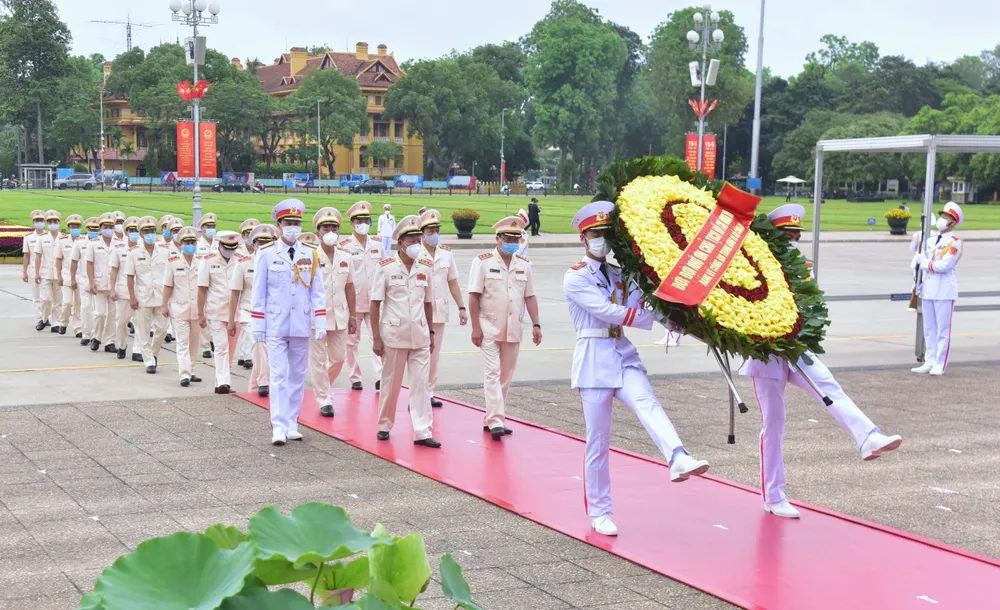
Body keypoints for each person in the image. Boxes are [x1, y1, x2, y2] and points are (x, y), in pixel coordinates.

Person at [741, 204, 902, 519]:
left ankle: (868, 437)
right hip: (767, 351)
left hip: (797, 346)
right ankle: (773, 495)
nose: (793, 240)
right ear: (773, 235)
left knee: (829, 385)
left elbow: (810, 302)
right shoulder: (755, 265)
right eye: (787, 234)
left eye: (796, 235)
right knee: (774, 422)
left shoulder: (802, 265)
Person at [565, 201, 710, 536]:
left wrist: (684, 323)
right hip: (593, 360)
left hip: (621, 353)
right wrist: (648, 318)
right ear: (583, 238)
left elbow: (644, 304)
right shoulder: (574, 277)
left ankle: (677, 456)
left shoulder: (621, 275)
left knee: (648, 403)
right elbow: (608, 312)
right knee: (598, 442)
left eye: (605, 234)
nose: (601, 239)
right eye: (595, 234)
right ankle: (600, 511)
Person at [251, 199, 327, 446]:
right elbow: (258, 292)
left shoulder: (310, 252)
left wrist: (321, 321)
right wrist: (257, 325)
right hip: (275, 323)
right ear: (279, 224)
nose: (293, 228)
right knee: (278, 376)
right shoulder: (266, 253)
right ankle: (278, 426)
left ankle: (293, 422)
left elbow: (317, 291)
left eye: (297, 223)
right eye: (288, 223)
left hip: (301, 323)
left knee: (297, 376)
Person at [468, 215, 542, 440]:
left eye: (516, 238)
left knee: (505, 376)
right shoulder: (483, 261)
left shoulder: (524, 264)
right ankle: (497, 420)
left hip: (513, 328)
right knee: (492, 373)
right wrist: (475, 328)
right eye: (508, 237)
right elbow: (474, 296)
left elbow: (530, 297)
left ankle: (492, 417)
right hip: (488, 325)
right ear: (498, 238)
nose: (512, 242)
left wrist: (536, 324)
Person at [370, 215, 440, 447]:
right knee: (391, 384)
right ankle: (384, 424)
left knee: (421, 385)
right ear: (400, 243)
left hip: (419, 335)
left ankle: (423, 431)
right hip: (394, 336)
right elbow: (375, 303)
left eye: (418, 240)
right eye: (411, 241)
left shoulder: (426, 266)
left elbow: (428, 303)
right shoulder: (385, 268)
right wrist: (376, 338)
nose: (416, 245)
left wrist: (431, 333)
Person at [310, 207, 357, 417]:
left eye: (334, 228)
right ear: (318, 232)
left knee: (338, 358)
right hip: (316, 316)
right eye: (326, 228)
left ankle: (323, 388)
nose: (330, 231)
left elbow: (350, 286)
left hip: (340, 315)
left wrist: (353, 315)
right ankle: (324, 399)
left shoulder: (346, 256)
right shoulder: (309, 255)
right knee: (318, 360)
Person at [418, 209, 467, 408]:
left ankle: (429, 392)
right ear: (422, 233)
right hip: (418, 313)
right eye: (430, 231)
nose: (435, 234)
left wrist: (461, 307)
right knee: (419, 356)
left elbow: (453, 282)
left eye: (437, 229)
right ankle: (417, 394)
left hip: (439, 313)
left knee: (433, 355)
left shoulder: (446, 254)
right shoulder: (414, 252)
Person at [911, 201, 963, 376]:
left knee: (943, 330)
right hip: (928, 288)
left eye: (946, 217)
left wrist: (924, 262)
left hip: (944, 290)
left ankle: (940, 363)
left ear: (953, 223)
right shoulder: (931, 240)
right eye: (941, 216)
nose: (942, 219)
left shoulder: (955, 243)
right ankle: (930, 360)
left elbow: (944, 265)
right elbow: (917, 257)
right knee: (929, 328)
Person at [341, 201, 384, 391]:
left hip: (375, 300)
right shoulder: (344, 247)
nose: (363, 223)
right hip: (354, 302)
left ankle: (381, 376)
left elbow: (384, 271)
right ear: (352, 223)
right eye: (359, 220)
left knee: (378, 337)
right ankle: (355, 377)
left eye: (366, 220)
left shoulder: (378, 244)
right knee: (351, 342)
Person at [229, 224, 275, 398]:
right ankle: (264, 382)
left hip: (272, 312)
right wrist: (232, 319)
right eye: (259, 242)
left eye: (267, 242)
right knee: (258, 343)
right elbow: (234, 292)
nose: (263, 245)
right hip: (249, 312)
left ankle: (253, 387)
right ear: (253, 243)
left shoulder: (279, 263)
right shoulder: (243, 264)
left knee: (268, 350)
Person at [198, 231, 241, 394]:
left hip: (235, 312)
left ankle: (221, 379)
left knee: (230, 348)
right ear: (219, 245)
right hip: (215, 311)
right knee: (221, 346)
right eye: (226, 247)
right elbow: (201, 289)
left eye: (233, 248)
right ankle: (224, 383)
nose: (229, 251)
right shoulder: (208, 261)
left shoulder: (240, 261)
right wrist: (200, 314)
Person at [162, 227, 205, 388]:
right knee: (182, 343)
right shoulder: (173, 263)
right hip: (179, 308)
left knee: (194, 342)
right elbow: (167, 285)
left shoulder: (201, 262)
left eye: (193, 242)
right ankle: (184, 374)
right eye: (187, 242)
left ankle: (191, 370)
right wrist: (164, 305)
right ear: (180, 244)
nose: (190, 245)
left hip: (197, 309)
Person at [126, 216, 170, 374]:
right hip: (143, 296)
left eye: (152, 230)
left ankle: (154, 353)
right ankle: (149, 361)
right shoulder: (134, 253)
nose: (150, 234)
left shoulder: (165, 251)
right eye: (146, 231)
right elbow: (130, 277)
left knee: (162, 329)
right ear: (141, 234)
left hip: (161, 297)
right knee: (142, 331)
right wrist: (132, 297)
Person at [85, 213, 119, 353]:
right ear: (100, 228)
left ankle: (109, 341)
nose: (109, 229)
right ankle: (96, 337)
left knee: (113, 315)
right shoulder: (93, 244)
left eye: (111, 227)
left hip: (115, 285)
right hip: (99, 283)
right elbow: (90, 264)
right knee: (99, 313)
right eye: (106, 227)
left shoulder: (119, 244)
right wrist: (91, 281)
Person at [108, 216, 139, 359]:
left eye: (137, 230)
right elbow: (114, 270)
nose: (134, 232)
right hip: (123, 290)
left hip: (142, 291)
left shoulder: (145, 248)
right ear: (126, 232)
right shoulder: (119, 248)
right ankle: (121, 345)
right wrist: (112, 289)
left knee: (141, 324)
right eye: (131, 230)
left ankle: (138, 351)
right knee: (121, 321)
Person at [33, 210, 64, 332]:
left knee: (58, 301)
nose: (53, 224)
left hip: (59, 274)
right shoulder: (42, 238)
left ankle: (56, 322)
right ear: (47, 223)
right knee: (45, 299)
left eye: (55, 221)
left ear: (59, 223)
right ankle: (44, 319)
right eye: (50, 222)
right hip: (45, 272)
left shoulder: (63, 238)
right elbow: (38, 256)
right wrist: (36, 272)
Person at [70, 218, 99, 347]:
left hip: (100, 281)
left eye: (96, 229)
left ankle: (96, 335)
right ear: (87, 229)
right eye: (91, 229)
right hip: (84, 279)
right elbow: (74, 261)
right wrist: (72, 278)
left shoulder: (102, 243)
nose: (94, 231)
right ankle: (86, 334)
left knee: (98, 311)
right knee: (86, 307)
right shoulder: (80, 243)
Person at [54, 215, 84, 338]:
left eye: (77, 226)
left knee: (79, 305)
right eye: (72, 226)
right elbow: (59, 259)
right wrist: (59, 275)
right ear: (69, 227)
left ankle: (78, 328)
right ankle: (63, 322)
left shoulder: (84, 241)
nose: (75, 228)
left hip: (81, 276)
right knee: (67, 302)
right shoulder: (62, 241)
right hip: (66, 276)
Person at [196, 213, 219, 359]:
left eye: (213, 227)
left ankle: (213, 340)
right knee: (203, 312)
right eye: (208, 227)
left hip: (217, 281)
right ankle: (205, 345)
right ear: (202, 228)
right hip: (202, 281)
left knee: (216, 312)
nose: (211, 229)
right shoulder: (197, 245)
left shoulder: (219, 243)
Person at [22, 210, 46, 331]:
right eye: (37, 221)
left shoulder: (49, 237)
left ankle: (48, 317)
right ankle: (40, 318)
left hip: (47, 270)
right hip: (33, 270)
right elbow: (26, 255)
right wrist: (24, 272)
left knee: (48, 297)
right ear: (33, 222)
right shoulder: (28, 238)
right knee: (36, 296)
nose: (39, 223)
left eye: (41, 220)